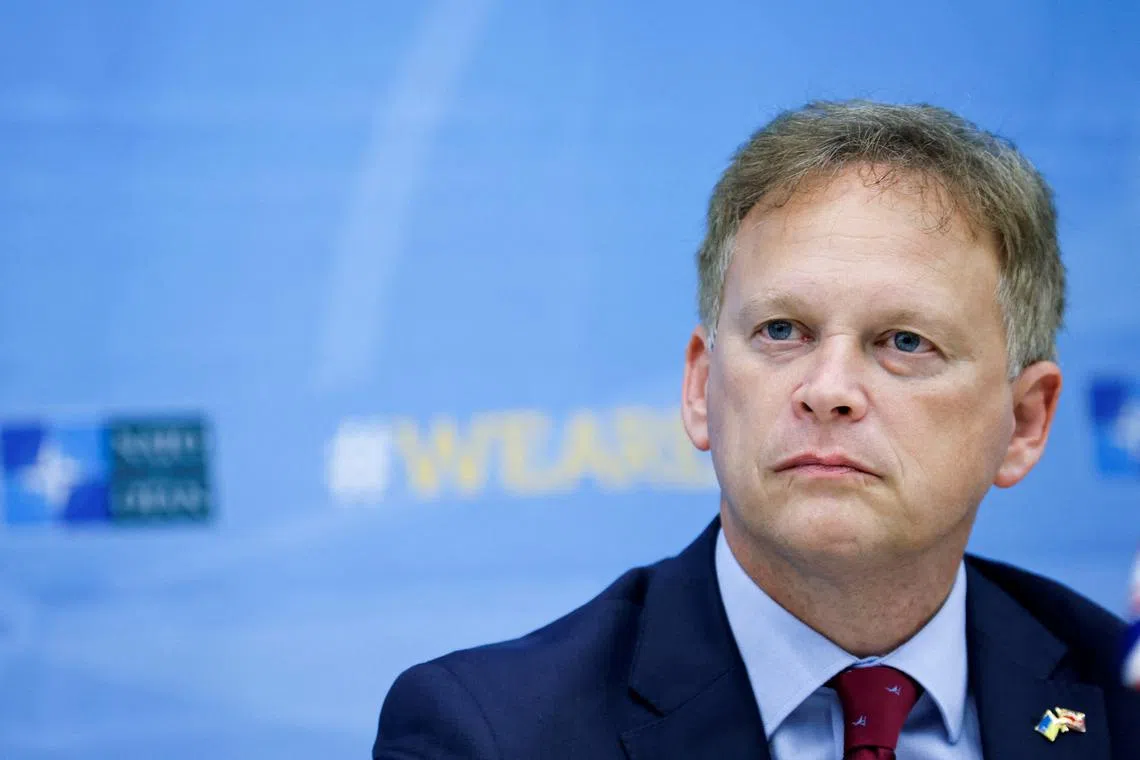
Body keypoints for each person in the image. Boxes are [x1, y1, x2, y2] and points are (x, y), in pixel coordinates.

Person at [372, 101, 1140, 759]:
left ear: (1026, 422)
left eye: (905, 342)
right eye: (782, 330)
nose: (828, 390)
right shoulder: (493, 733)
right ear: (703, 387)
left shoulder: (1122, 700)